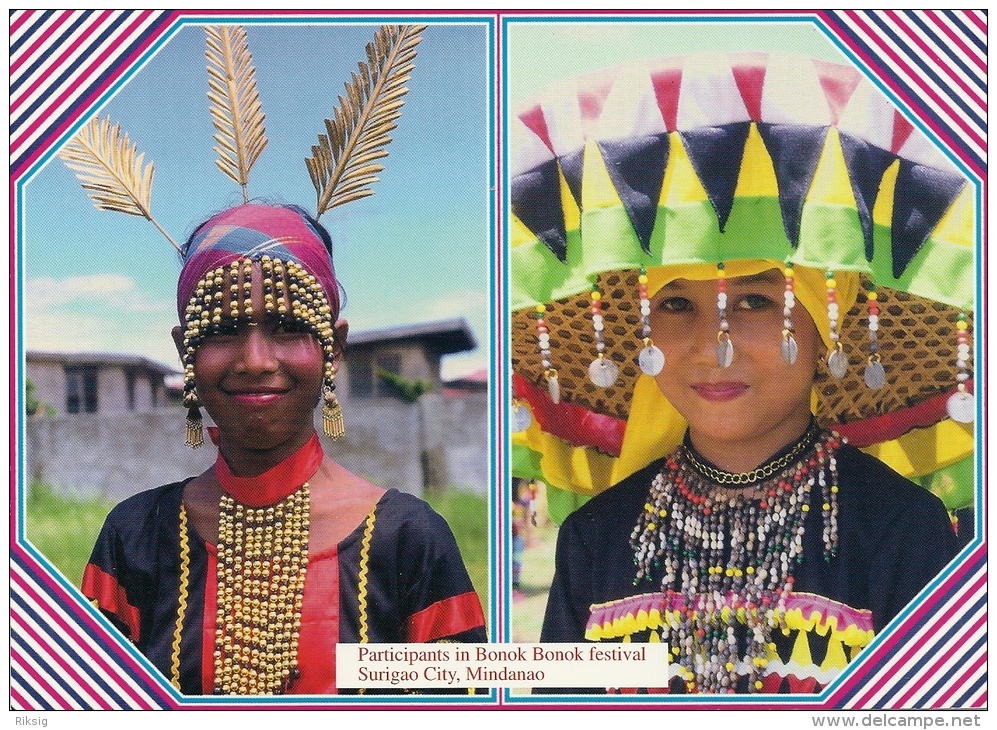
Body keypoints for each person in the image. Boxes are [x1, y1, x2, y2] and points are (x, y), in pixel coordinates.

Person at [510, 53, 974, 694]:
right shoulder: (597, 537)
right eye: (676, 304)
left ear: (823, 331)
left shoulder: (903, 529)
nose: (713, 348)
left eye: (755, 302)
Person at [83, 203, 487, 695]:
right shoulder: (133, 537)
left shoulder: (410, 540)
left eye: (289, 329)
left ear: (333, 348)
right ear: (184, 349)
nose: (255, 361)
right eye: (221, 330)